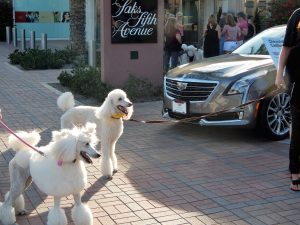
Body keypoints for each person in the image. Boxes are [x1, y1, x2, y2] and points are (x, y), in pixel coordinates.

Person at [275, 8, 300, 191]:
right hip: (298, 79)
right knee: (298, 129)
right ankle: (295, 172)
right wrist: (279, 74)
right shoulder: (297, 16)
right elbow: (286, 48)